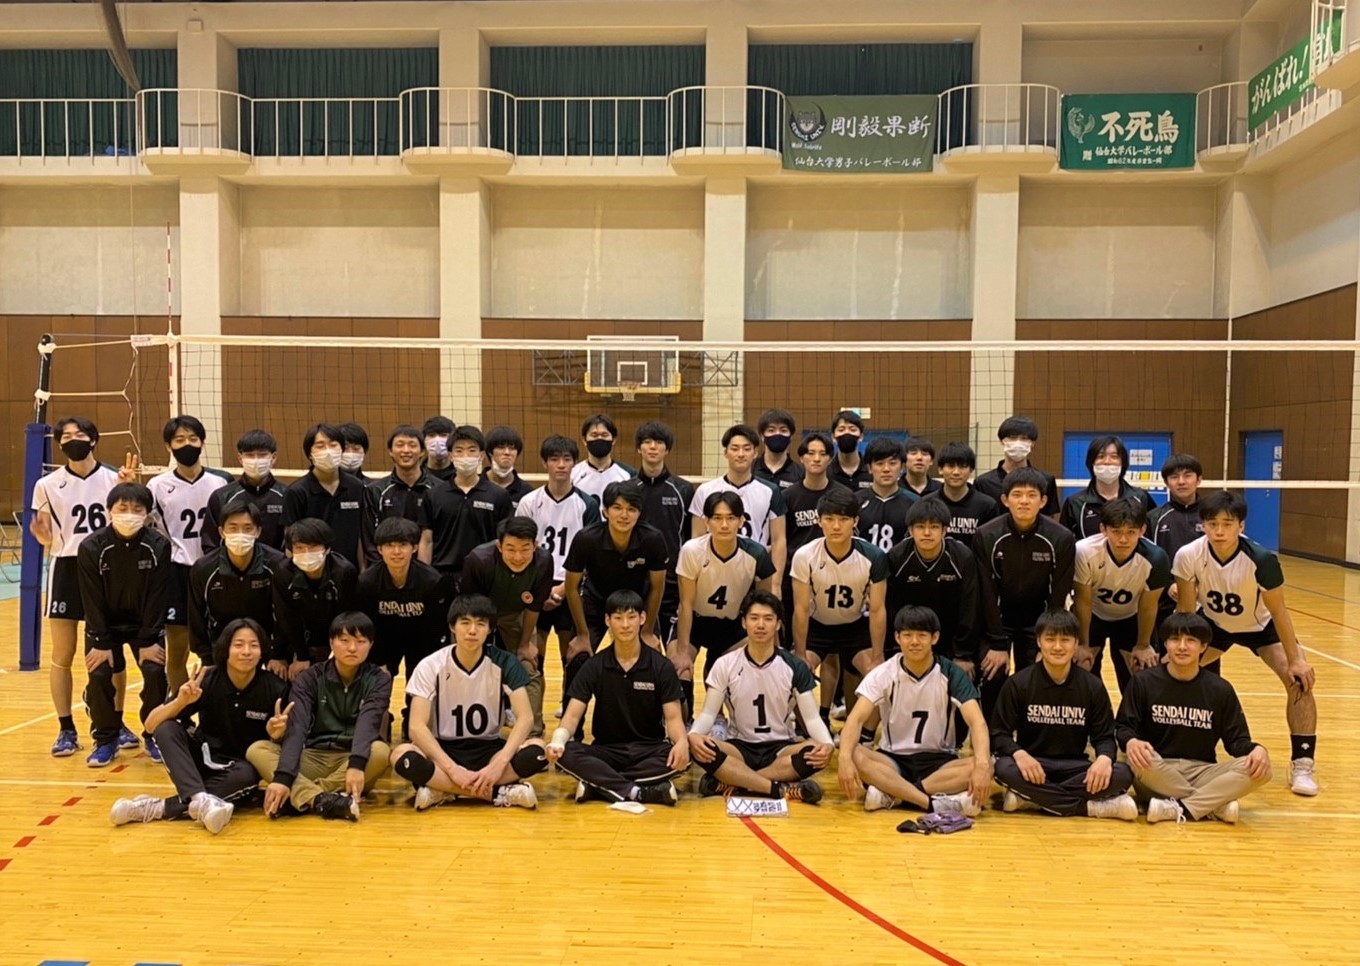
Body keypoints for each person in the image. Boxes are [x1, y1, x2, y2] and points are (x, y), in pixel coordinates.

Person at [1172, 489, 1319, 796]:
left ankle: (1303, 762)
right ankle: (1177, 750)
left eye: (1227, 524)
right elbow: (1186, 613)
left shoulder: (1261, 559)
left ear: (1241, 526)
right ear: (1203, 525)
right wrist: (1181, 653)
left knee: (1299, 680)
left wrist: (1296, 659)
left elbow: (1278, 611)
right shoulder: (1188, 555)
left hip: (1260, 626)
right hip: (1214, 626)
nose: (1219, 531)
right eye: (1212, 524)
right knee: (1173, 671)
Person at [110, 618, 290, 834]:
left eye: (254, 645)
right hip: (201, 761)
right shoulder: (206, 680)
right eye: (238, 645)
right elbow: (150, 725)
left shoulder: (274, 688)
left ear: (262, 652)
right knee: (166, 728)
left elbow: (281, 743)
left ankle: (157, 807)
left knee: (246, 775)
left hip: (238, 771)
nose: (246, 652)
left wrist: (275, 734)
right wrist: (180, 702)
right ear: (226, 649)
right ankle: (200, 799)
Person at [30, 415, 138, 757]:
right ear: (59, 444)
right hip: (67, 567)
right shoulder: (47, 484)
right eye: (65, 436)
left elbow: (134, 519)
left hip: (107, 568)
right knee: (63, 654)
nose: (72, 439)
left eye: (79, 434)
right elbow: (45, 533)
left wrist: (131, 487)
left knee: (112, 653)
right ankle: (66, 728)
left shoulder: (114, 479)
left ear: (93, 439)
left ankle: (115, 721)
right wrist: (41, 536)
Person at [389, 594, 547, 810]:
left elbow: (525, 717)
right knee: (400, 755)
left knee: (539, 750)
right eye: (465, 623)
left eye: (480, 624)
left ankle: (442, 790)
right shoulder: (431, 665)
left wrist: (499, 763)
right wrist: (452, 769)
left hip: (489, 749)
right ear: (452, 627)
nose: (472, 630)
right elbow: (416, 726)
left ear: (490, 629)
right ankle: (498, 793)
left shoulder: (504, 662)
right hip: (444, 750)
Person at [1116, 613, 1273, 824]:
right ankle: (1213, 805)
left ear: (1203, 646)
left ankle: (1179, 808)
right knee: (1134, 757)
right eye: (1175, 639)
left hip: (1202, 771)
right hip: (1156, 768)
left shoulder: (1220, 689)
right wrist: (1132, 741)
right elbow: (1123, 727)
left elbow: (1237, 741)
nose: (1182, 646)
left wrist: (1257, 750)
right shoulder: (1143, 682)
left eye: (1190, 640)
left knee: (1260, 769)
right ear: (1166, 644)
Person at [838, 606, 991, 815]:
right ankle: (932, 803)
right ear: (897, 637)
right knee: (853, 753)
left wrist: (982, 766)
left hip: (939, 761)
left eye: (922, 635)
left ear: (935, 638)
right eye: (908, 635)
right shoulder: (884, 673)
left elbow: (977, 722)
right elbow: (855, 720)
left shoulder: (951, 673)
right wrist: (844, 759)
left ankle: (893, 794)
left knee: (987, 764)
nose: (914, 642)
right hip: (892, 760)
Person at [990, 609, 1137, 820]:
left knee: (1123, 773)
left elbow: (1104, 737)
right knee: (1003, 768)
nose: (1058, 647)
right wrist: (1019, 754)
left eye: (1065, 640)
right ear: (1039, 641)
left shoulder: (1092, 686)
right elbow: (999, 734)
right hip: (1032, 764)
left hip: (1075, 767)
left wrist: (1104, 759)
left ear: (1076, 643)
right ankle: (1089, 808)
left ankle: (1032, 798)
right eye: (1050, 639)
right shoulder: (1018, 684)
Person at [547, 591, 690, 805]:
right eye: (618, 617)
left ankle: (598, 784)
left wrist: (681, 742)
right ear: (607, 620)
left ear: (642, 618)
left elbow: (673, 718)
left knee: (684, 754)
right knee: (566, 753)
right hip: (606, 750)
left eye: (631, 617)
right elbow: (572, 716)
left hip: (649, 749)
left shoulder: (661, 666)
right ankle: (637, 791)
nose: (625, 625)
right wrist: (557, 741)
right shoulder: (594, 665)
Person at [689, 590, 832, 801]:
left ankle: (735, 781)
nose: (761, 625)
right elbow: (709, 714)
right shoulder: (725, 664)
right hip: (739, 747)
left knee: (815, 750)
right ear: (743, 623)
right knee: (699, 745)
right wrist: (693, 736)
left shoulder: (794, 666)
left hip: (781, 748)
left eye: (768, 619)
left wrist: (827, 745)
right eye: (754, 618)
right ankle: (778, 789)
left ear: (778, 624)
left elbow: (811, 719)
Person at [248, 612, 393, 821]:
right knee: (258, 749)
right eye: (344, 641)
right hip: (313, 756)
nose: (352, 648)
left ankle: (303, 796)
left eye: (361, 641)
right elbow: (298, 727)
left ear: (371, 645)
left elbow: (368, 723)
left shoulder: (379, 679)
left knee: (380, 751)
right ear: (331, 642)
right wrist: (284, 776)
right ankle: (322, 800)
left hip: (351, 762)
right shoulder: (310, 678)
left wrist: (356, 763)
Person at [76, 482, 171, 766]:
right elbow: (91, 598)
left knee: (155, 671)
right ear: (109, 511)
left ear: (147, 514)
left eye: (137, 509)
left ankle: (153, 734)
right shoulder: (91, 547)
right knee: (99, 674)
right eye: (123, 508)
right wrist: (100, 641)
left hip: (144, 625)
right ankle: (106, 739)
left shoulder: (158, 545)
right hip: (104, 625)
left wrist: (149, 639)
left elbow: (158, 595)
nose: (129, 514)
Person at [973, 468, 1076, 720]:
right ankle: (995, 733)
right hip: (997, 622)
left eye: (1031, 495)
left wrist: (1047, 639)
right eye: (1017, 495)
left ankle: (1030, 733)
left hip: (1038, 622)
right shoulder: (986, 535)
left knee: (1036, 677)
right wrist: (997, 643)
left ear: (1043, 501)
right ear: (1005, 500)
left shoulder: (1061, 537)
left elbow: (1058, 595)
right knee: (993, 672)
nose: (1024, 501)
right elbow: (986, 591)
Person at [671, 492, 776, 719]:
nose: (724, 525)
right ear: (706, 521)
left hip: (733, 626)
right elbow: (686, 604)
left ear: (741, 521)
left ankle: (720, 720)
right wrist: (682, 652)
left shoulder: (756, 554)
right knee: (679, 669)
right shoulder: (692, 550)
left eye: (731, 518)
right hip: (695, 621)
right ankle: (685, 723)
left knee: (728, 675)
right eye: (717, 518)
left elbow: (764, 605)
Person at [562, 481, 668, 701]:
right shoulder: (586, 538)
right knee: (578, 657)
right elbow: (571, 587)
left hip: (636, 606)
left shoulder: (653, 539)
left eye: (631, 509)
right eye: (617, 508)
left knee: (651, 658)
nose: (624, 515)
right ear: (605, 511)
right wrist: (582, 634)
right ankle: (572, 720)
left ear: (639, 513)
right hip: (596, 603)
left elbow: (657, 587)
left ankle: (651, 716)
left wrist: (647, 630)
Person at [790, 488, 889, 726]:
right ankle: (810, 728)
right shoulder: (805, 555)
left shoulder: (873, 556)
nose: (836, 526)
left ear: (855, 521)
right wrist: (800, 654)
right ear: (819, 520)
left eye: (844, 519)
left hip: (854, 627)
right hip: (818, 626)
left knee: (881, 677)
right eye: (829, 519)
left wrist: (878, 656)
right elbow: (801, 609)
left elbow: (877, 610)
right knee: (793, 673)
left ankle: (865, 736)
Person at [147, 414, 231, 692]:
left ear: (203, 443)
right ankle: (180, 709)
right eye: (179, 440)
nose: (187, 445)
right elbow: (141, 523)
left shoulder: (221, 482)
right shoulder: (156, 486)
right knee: (177, 651)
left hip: (215, 570)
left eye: (193, 439)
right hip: (177, 572)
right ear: (168, 446)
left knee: (220, 645)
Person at [515, 434, 602, 689]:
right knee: (533, 656)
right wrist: (541, 591)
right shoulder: (529, 502)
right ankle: (532, 709)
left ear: (575, 462)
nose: (561, 465)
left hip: (571, 586)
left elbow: (592, 555)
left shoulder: (587, 504)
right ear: (545, 463)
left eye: (566, 459)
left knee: (572, 656)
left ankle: (568, 707)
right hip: (536, 585)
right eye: (554, 459)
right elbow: (519, 550)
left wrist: (563, 590)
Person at [354, 517, 453, 737]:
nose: (396, 551)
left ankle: (413, 723)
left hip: (421, 639)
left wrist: (430, 663)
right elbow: (365, 624)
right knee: (378, 680)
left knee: (420, 683)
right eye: (390, 545)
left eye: (403, 545)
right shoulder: (367, 582)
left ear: (414, 547)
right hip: (383, 639)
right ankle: (380, 725)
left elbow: (438, 627)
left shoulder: (432, 581)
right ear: (379, 549)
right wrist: (376, 659)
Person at [460, 517, 556, 737]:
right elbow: (469, 608)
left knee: (528, 667)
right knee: (468, 666)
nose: (518, 557)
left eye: (525, 549)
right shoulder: (479, 560)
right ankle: (470, 729)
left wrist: (524, 644)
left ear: (535, 545)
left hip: (516, 614)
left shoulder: (543, 561)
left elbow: (534, 607)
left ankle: (532, 734)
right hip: (479, 616)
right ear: (499, 546)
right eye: (511, 549)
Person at [1072, 497, 1171, 692]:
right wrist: (1082, 643)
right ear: (1103, 529)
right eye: (1116, 532)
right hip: (1093, 616)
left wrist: (1142, 645)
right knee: (1081, 668)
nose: (1123, 539)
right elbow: (1083, 601)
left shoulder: (1156, 558)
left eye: (1131, 532)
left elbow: (1148, 605)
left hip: (1131, 617)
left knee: (1142, 669)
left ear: (1142, 530)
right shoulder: (1084, 551)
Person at [885, 499, 980, 677]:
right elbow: (892, 608)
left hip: (952, 639)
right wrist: (897, 649)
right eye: (920, 527)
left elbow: (970, 608)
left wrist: (962, 654)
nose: (927, 533)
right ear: (910, 530)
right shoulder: (897, 557)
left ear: (944, 530)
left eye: (934, 527)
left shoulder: (962, 557)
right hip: (912, 638)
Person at [688, 424, 788, 593]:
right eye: (735, 449)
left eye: (746, 449)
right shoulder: (705, 490)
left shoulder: (770, 491)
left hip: (754, 571)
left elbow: (779, 540)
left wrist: (776, 584)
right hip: (713, 571)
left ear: (755, 453)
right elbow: (697, 537)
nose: (741, 454)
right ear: (725, 453)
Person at [188, 502, 286, 667]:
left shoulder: (277, 564)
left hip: (268, 644)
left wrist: (279, 654)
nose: (240, 534)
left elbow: (286, 613)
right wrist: (207, 659)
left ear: (258, 531)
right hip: (221, 645)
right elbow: (197, 617)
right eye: (233, 528)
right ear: (221, 532)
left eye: (248, 528)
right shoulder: (204, 568)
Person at [418, 424, 512, 591]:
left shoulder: (499, 495)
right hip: (443, 576)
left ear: (481, 456)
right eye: (459, 451)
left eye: (472, 450)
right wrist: (425, 577)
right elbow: (426, 540)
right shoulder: (433, 495)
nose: (465, 456)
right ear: (451, 456)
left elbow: (505, 541)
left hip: (485, 576)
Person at [272, 518, 359, 681]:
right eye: (299, 548)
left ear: (327, 548)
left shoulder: (344, 572)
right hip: (299, 640)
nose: (306, 553)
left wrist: (336, 654)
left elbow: (346, 617)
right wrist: (301, 656)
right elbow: (285, 617)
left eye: (312, 547)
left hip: (335, 640)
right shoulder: (283, 573)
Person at [634, 420, 695, 646]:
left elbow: (691, 539)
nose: (653, 447)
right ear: (639, 448)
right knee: (640, 650)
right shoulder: (628, 490)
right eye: (647, 442)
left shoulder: (683, 489)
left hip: (673, 583)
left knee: (675, 656)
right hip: (637, 582)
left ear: (667, 449)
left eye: (659, 442)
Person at [282, 422, 367, 569]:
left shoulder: (356, 487)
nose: (328, 451)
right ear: (310, 454)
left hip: (349, 570)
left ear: (341, 450)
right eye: (320, 446)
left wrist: (362, 569)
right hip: (311, 571)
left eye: (333, 445)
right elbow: (290, 541)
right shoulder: (296, 492)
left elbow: (360, 535)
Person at [360, 424, 436, 566]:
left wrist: (429, 573)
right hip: (387, 568)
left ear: (422, 452)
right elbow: (370, 539)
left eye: (412, 445)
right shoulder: (375, 491)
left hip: (428, 570)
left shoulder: (438, 489)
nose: (406, 450)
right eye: (400, 445)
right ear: (390, 451)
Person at [201, 428, 286, 553]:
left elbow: (293, 540)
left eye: (262, 455)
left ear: (273, 458)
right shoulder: (222, 496)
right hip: (232, 565)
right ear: (240, 458)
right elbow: (211, 543)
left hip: (277, 564)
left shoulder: (287, 495)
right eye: (250, 455)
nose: (256, 460)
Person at [1061, 435, 1157, 540]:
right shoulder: (1075, 503)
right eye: (1101, 456)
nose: (1107, 461)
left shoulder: (1140, 498)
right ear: (1091, 462)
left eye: (1114, 456)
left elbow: (1150, 538)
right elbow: (1065, 542)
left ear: (1123, 462)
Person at [973, 416, 1060, 519]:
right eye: (1012, 437)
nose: (1018, 443)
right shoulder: (983, 483)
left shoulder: (1046, 480)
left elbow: (1049, 519)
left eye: (1024, 438)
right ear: (1001, 441)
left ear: (1032, 443)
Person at [931, 442, 1000, 550]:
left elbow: (991, 546)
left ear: (971, 470)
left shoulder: (987, 506)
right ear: (940, 469)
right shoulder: (928, 504)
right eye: (950, 466)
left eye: (962, 466)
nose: (956, 472)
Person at [856, 437, 918, 553]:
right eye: (879, 463)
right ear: (869, 468)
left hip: (900, 564)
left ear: (902, 467)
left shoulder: (915, 503)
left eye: (892, 463)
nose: (886, 469)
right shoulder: (855, 502)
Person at [570, 413, 635, 504]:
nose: (599, 438)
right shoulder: (573, 473)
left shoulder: (629, 474)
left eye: (604, 435)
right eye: (594, 435)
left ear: (613, 440)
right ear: (584, 440)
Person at [484, 424, 534, 511]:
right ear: (490, 452)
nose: (507, 452)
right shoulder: (475, 486)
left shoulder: (527, 493)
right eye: (501, 447)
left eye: (512, 448)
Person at [753, 408, 804, 490]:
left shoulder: (801, 474)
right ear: (762, 436)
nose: (777, 433)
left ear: (791, 436)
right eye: (771, 430)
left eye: (783, 430)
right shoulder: (750, 470)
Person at [828, 409, 872, 491]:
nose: (847, 433)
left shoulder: (872, 471)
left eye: (852, 429)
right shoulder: (826, 473)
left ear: (861, 437)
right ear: (833, 437)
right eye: (841, 430)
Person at [422, 415, 456, 483]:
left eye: (443, 435)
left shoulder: (460, 476)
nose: (437, 440)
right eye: (431, 435)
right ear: (424, 440)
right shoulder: (418, 475)